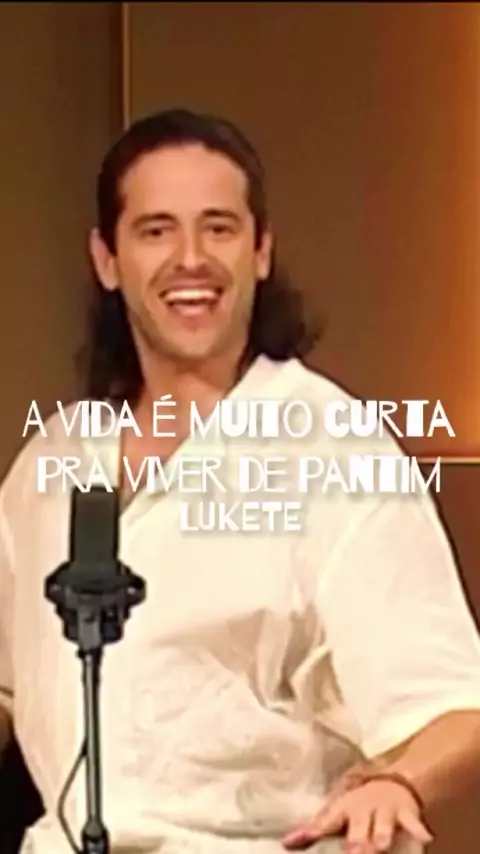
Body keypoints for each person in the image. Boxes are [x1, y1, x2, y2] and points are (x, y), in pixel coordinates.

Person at [1, 107, 480, 854]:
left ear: (260, 252)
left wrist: (397, 783)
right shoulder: (53, 461)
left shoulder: (335, 450)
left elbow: (456, 708)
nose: (190, 258)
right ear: (107, 259)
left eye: (218, 228)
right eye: (156, 230)